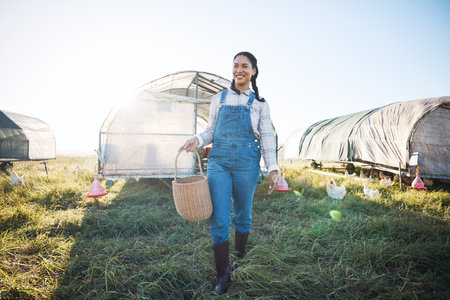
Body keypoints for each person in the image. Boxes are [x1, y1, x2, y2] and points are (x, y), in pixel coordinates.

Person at [179, 51, 279, 294]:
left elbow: (266, 137)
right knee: (219, 218)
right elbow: (210, 130)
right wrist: (197, 139)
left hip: (247, 162)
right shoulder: (218, 99)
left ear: (253, 71)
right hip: (220, 161)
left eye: (245, 66)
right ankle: (222, 276)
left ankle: (239, 259)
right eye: (235, 65)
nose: (239, 70)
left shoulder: (259, 104)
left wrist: (273, 168)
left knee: (243, 215)